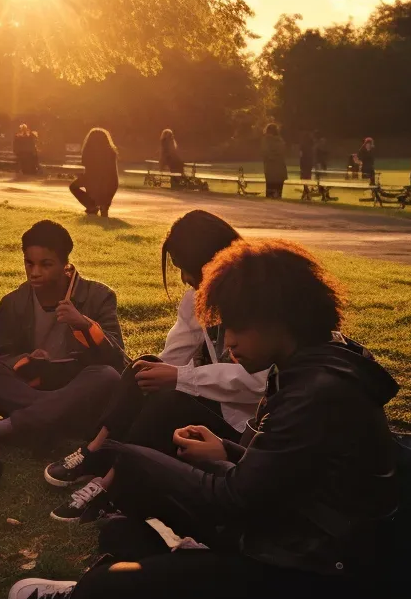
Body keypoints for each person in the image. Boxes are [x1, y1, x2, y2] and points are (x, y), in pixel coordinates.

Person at [8, 240, 399, 599]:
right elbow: (289, 470)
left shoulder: (316, 389)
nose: (228, 343)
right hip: (289, 532)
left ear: (277, 318)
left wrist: (139, 458)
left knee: (111, 572)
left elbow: (232, 498)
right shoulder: (313, 364)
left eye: (235, 326)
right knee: (121, 531)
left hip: (311, 572)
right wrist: (227, 450)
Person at [42, 210, 267, 521]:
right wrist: (156, 370)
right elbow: (175, 354)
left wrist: (180, 377)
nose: (185, 278)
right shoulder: (198, 298)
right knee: (145, 367)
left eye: (187, 268)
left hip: (242, 422)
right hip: (218, 400)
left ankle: (111, 483)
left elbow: (260, 383)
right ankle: (96, 451)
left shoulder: (258, 303)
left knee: (169, 401)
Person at [0, 220, 125, 445]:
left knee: (106, 376)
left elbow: (117, 357)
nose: (34, 272)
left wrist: (84, 325)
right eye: (29, 264)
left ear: (65, 264)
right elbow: (3, 355)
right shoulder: (12, 302)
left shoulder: (99, 295)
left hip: (80, 383)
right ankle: (54, 419)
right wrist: (27, 360)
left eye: (46, 264)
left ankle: (12, 427)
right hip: (37, 384)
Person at [69, 127, 119, 217]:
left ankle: (91, 206)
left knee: (73, 187)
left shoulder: (89, 152)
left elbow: (87, 169)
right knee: (105, 186)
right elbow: (113, 171)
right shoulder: (111, 152)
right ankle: (103, 208)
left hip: (92, 178)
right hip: (110, 181)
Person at [261, 122, 287, 199]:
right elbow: (283, 153)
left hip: (270, 170)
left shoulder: (266, 140)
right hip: (280, 170)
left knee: (270, 192)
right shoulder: (281, 141)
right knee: (278, 192)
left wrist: (270, 157)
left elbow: (265, 153)